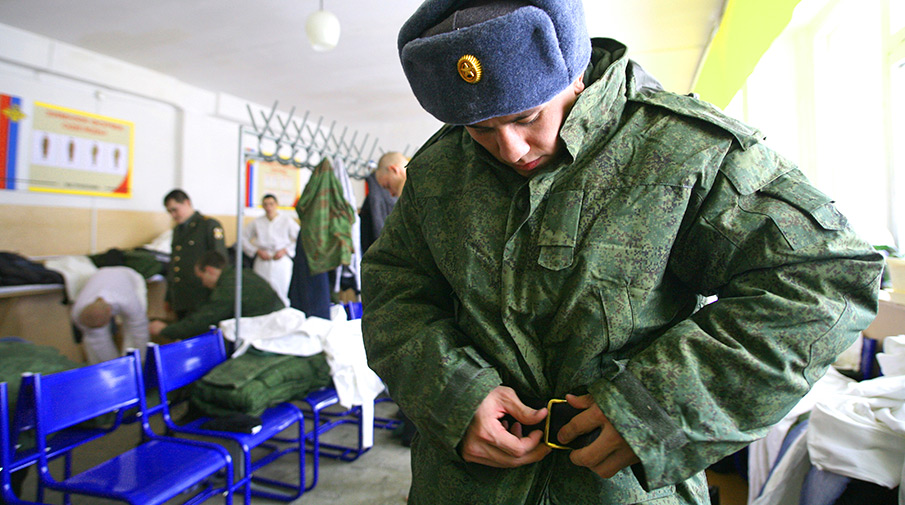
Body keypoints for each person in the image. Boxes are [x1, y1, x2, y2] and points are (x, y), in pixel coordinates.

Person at [360, 1, 885, 504]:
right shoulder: (437, 171)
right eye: (480, 128)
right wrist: (452, 393)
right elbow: (393, 290)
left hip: (625, 488)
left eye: (528, 117)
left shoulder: (683, 149)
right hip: (462, 488)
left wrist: (655, 407)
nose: (511, 149)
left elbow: (825, 277)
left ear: (575, 76)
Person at [149, 251, 285, 341]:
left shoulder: (229, 286)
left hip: (266, 332)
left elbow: (205, 319)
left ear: (209, 270)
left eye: (201, 277)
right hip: (275, 326)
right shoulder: (240, 274)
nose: (203, 283)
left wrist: (166, 330)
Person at [163, 189, 228, 319]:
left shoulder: (208, 225)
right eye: (169, 212)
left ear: (187, 203)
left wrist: (218, 295)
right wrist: (169, 296)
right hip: (181, 296)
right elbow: (174, 263)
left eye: (175, 210)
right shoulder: (178, 230)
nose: (173, 215)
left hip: (202, 295)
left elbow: (220, 261)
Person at [70, 266, 149, 364]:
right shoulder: (77, 312)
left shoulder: (127, 301)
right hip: (101, 276)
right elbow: (95, 341)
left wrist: (138, 361)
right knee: (95, 338)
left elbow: (139, 329)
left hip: (129, 277)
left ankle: (134, 363)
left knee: (136, 329)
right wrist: (111, 366)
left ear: (109, 312)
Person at [241, 193, 299, 307]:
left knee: (282, 290)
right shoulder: (257, 222)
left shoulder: (287, 221)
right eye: (266, 205)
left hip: (281, 260)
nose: (269, 207)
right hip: (263, 259)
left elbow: (300, 238)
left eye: (271, 204)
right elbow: (242, 238)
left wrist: (286, 250)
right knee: (261, 291)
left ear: (276, 205)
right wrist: (256, 250)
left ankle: (283, 311)